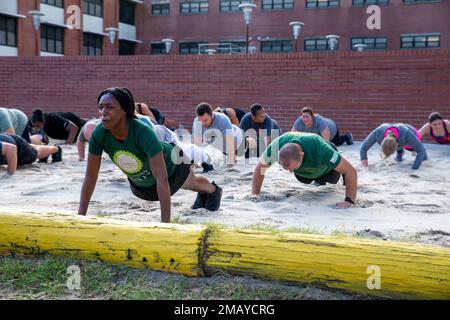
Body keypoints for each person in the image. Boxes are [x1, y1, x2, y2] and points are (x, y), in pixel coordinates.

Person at [78, 88, 223, 223]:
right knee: (186, 183)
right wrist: (80, 218)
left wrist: (164, 225)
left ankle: (212, 190)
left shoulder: (143, 132)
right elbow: (90, 177)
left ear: (124, 110)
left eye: (110, 107)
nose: (103, 112)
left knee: (191, 183)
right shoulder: (99, 134)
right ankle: (205, 191)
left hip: (173, 162)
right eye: (100, 107)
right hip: (144, 184)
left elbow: (161, 177)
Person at [251, 132, 357, 209]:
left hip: (327, 170)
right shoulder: (277, 145)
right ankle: (314, 178)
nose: (290, 172)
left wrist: (349, 201)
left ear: (302, 156)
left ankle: (326, 177)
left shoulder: (320, 149)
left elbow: (351, 171)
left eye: (292, 168)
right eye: (286, 168)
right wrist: (255, 194)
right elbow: (260, 167)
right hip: (306, 173)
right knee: (303, 179)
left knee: (334, 178)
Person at [77, 117, 214, 173]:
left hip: (162, 135)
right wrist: (81, 158)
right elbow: (80, 141)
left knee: (181, 153)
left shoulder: (133, 122)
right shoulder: (89, 129)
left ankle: (206, 159)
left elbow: (151, 135)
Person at [360, 123, 427, 170]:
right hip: (397, 136)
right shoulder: (378, 133)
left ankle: (400, 151)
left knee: (421, 155)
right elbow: (363, 148)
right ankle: (400, 153)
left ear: (397, 144)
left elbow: (421, 150)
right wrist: (365, 166)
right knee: (398, 159)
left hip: (411, 132)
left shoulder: (406, 135)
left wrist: (414, 168)